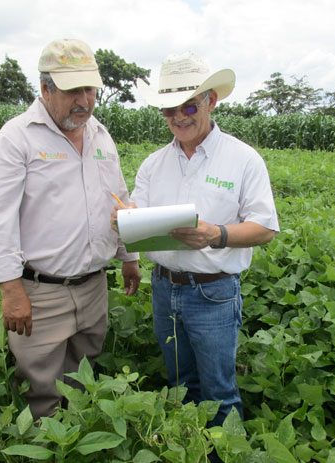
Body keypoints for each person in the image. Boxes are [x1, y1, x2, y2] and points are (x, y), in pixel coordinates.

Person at [0, 38, 140, 419]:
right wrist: (11, 289)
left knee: (84, 379)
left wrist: (129, 257)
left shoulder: (100, 134)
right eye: (72, 90)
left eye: (90, 89)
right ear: (45, 89)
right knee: (43, 391)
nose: (83, 100)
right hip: (40, 293)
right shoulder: (17, 139)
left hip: (93, 286)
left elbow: (117, 198)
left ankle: (78, 435)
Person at [126, 52, 279, 427]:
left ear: (211, 100)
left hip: (214, 293)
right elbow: (135, 216)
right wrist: (124, 215)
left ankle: (224, 452)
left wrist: (217, 234)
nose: (177, 116)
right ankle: (189, 448)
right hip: (163, 288)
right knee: (180, 385)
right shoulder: (153, 163)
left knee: (219, 392)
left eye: (188, 106)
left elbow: (265, 228)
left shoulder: (243, 160)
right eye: (167, 110)